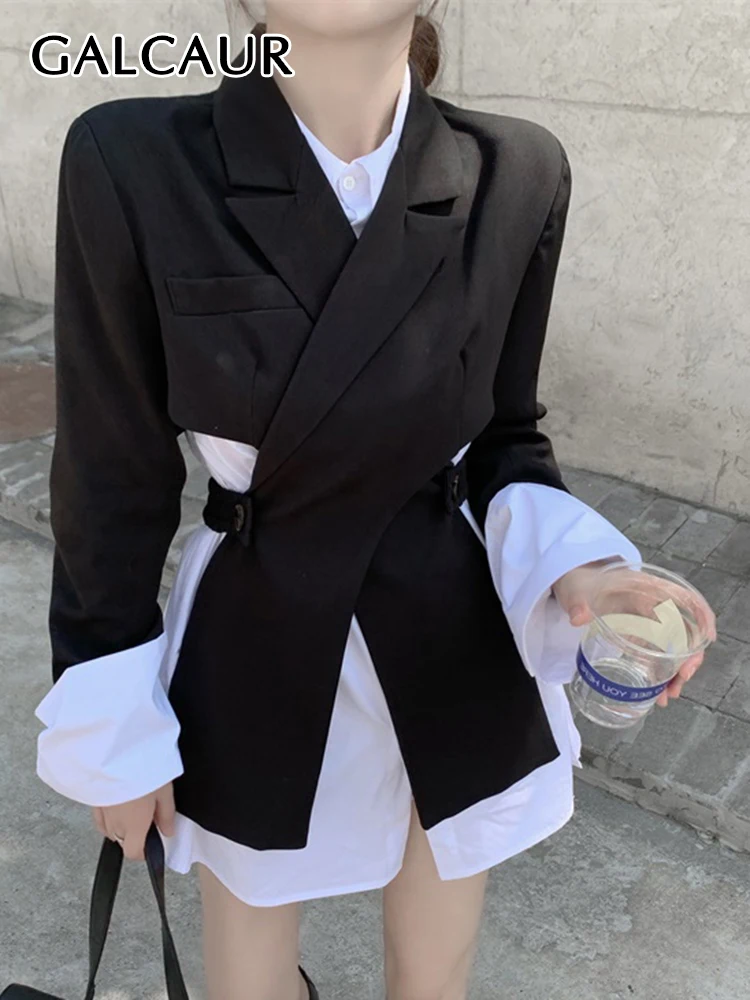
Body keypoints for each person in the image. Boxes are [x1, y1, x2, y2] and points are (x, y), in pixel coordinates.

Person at [33, 3, 715, 999]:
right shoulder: (134, 159)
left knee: (433, 977)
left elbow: (503, 437)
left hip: (452, 632)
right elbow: (112, 473)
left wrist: (586, 570)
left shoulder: (516, 172)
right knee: (249, 981)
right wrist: (112, 723)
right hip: (262, 626)